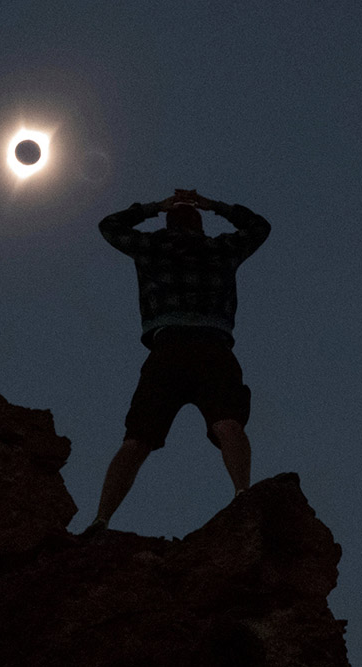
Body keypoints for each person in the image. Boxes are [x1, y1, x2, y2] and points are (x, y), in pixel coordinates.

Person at [84, 189, 271, 535]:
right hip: (213, 349)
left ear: (170, 221)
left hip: (167, 348)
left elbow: (109, 226)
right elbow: (259, 227)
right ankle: (243, 493)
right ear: (199, 225)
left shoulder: (152, 247)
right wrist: (215, 205)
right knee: (228, 423)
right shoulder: (221, 249)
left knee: (137, 439)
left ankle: (101, 520)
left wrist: (155, 206)